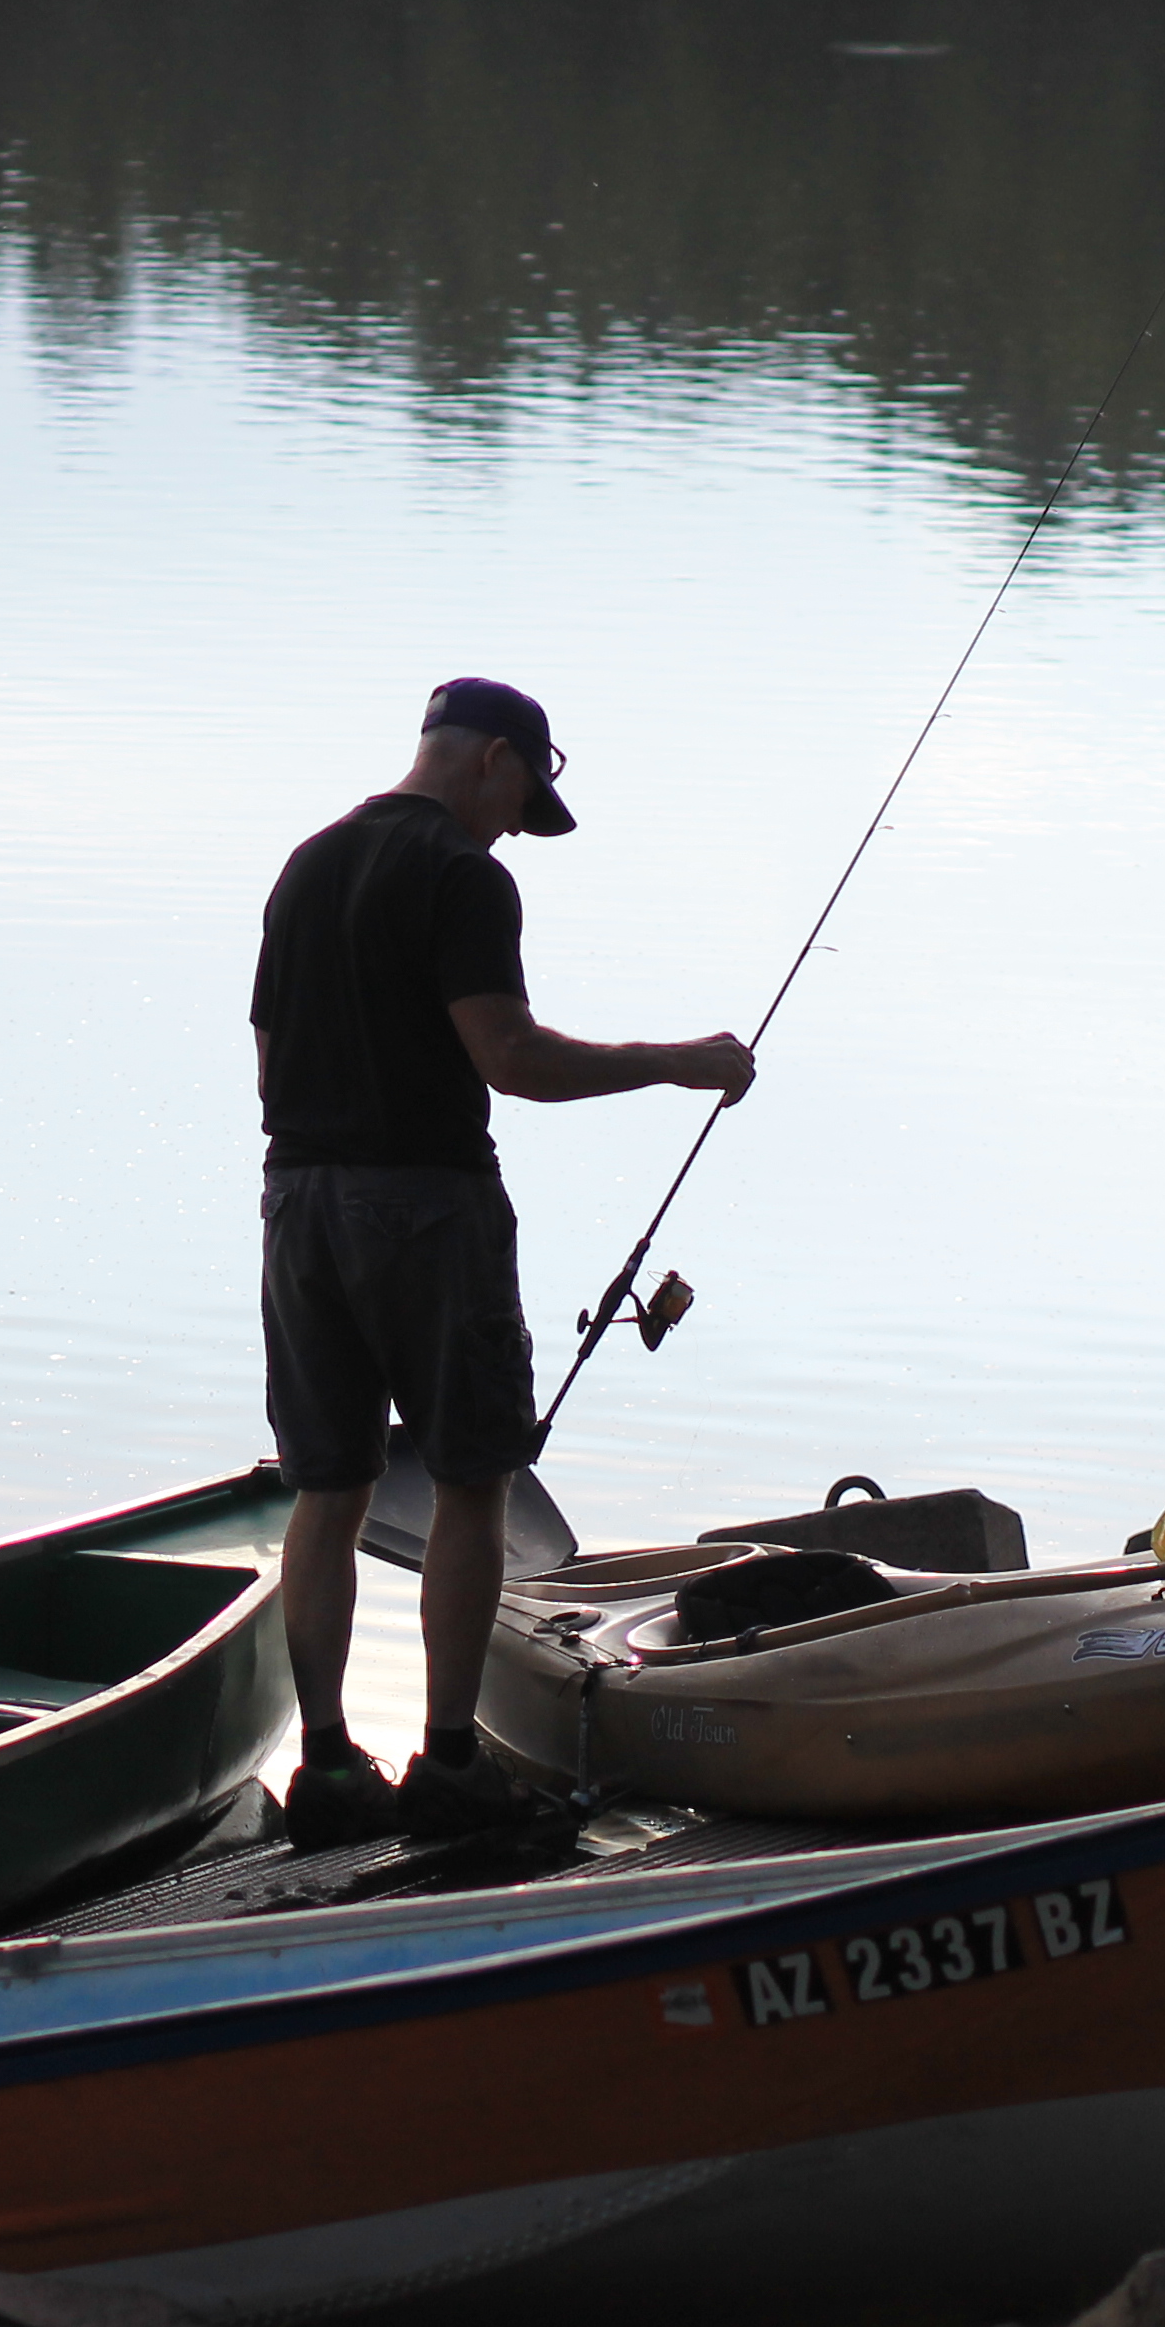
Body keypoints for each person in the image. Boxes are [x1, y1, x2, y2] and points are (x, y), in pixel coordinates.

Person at [250, 677, 755, 1846]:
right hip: (429, 1207)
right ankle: (450, 1759)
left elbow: (272, 1062)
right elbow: (510, 1057)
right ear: (490, 757)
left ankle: (325, 1764)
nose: (512, 828)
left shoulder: (308, 864)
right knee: (475, 1478)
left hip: (299, 1204)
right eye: (520, 799)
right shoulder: (466, 877)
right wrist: (674, 1061)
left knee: (329, 1490)